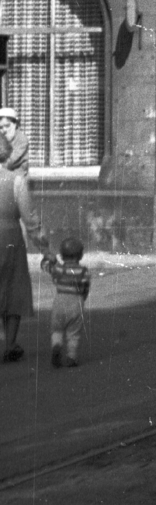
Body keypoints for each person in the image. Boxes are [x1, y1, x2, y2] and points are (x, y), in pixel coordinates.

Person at [0, 132, 49, 361]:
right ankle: (9, 344)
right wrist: (46, 250)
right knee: (13, 289)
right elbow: (30, 220)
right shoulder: (16, 180)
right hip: (9, 238)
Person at [40, 236, 90, 368]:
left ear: (61, 255)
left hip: (60, 301)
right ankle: (71, 356)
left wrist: (47, 258)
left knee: (57, 329)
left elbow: (46, 267)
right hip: (76, 301)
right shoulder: (83, 271)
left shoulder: (59, 269)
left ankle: (56, 345)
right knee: (73, 333)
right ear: (80, 255)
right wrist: (82, 298)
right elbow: (85, 288)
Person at [0, 106, 29, 176]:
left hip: (18, 176)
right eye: (0, 127)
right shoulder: (2, 138)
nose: (4, 130)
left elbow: (12, 161)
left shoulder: (22, 139)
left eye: (7, 126)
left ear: (15, 124)